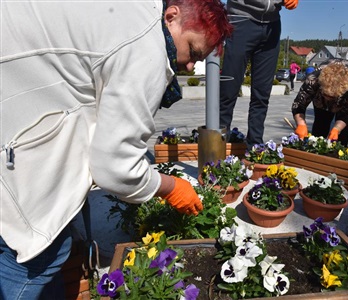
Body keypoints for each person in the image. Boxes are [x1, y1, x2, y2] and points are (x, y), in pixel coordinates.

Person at [0, 1, 232, 299]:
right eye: (194, 51)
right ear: (172, 16)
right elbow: (115, 168)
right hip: (13, 145)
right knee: (38, 257)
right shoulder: (147, 46)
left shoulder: (130, 9)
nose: (189, 65)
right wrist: (171, 187)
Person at [220, 0, 298, 149]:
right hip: (241, 20)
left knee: (262, 94)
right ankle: (218, 148)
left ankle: (254, 147)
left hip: (272, 25)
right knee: (228, 91)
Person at [292, 58, 348, 147]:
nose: (329, 100)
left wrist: (337, 129)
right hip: (320, 99)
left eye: (332, 97)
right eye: (327, 95)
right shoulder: (313, 79)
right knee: (320, 125)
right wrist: (301, 124)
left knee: (344, 134)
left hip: (347, 95)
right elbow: (299, 104)